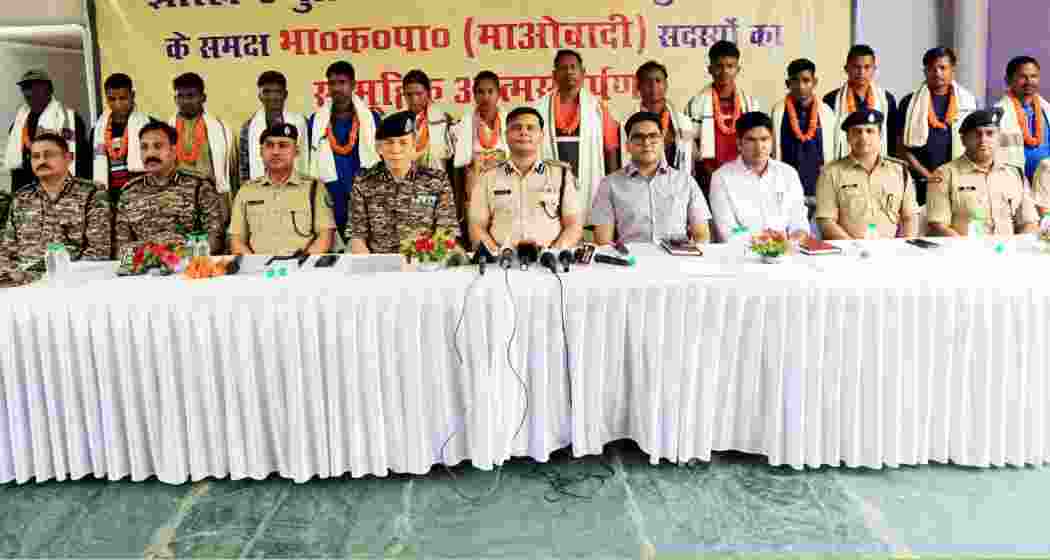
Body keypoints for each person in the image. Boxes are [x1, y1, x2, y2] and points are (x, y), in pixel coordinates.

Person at [0, 133, 107, 286]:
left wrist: (45, 277)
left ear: (69, 158)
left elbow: (98, 252)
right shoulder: (21, 198)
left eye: (49, 155)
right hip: (22, 284)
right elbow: (6, 251)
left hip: (73, 283)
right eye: (36, 157)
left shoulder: (92, 193)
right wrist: (15, 275)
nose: (42, 161)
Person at [469, 107, 582, 252]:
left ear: (541, 135)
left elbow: (574, 225)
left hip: (548, 264)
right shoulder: (487, 177)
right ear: (506, 135)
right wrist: (495, 256)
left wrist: (552, 254)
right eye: (516, 128)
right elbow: (476, 226)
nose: (524, 132)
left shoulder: (561, 175)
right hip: (501, 264)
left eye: (530, 128)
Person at [592, 111, 710, 245]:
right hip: (631, 262)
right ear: (627, 145)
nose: (646, 142)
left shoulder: (685, 182)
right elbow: (603, 241)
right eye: (638, 137)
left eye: (653, 136)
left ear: (662, 141)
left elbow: (702, 234)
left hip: (677, 260)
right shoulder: (609, 184)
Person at [349, 111, 457, 254]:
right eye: (389, 142)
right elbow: (357, 236)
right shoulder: (363, 182)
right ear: (378, 148)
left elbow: (446, 233)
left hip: (423, 262)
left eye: (403, 142)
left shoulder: (437, 181)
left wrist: (425, 261)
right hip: (380, 265)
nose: (396, 149)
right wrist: (368, 266)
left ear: (414, 145)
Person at [534, 49, 621, 226]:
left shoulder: (597, 108)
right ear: (554, 75)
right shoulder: (538, 109)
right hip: (549, 186)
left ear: (583, 73)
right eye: (563, 68)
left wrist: (611, 189)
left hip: (590, 186)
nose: (569, 72)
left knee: (588, 236)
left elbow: (611, 149)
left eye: (573, 67)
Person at [112, 122, 225, 257]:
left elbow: (216, 238)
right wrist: (150, 258)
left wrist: (178, 257)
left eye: (158, 146)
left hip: (188, 268)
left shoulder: (198, 186)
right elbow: (122, 247)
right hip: (144, 271)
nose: (150, 153)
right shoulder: (129, 192)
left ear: (173, 151)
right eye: (144, 147)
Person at [927, 110, 1038, 237]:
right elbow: (938, 226)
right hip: (963, 253)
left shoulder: (1015, 174)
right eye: (976, 134)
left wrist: (1017, 249)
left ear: (999, 139)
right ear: (963, 140)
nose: (983, 140)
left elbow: (1029, 222)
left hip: (1008, 253)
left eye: (990, 133)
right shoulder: (944, 174)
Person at [229, 123, 335, 256]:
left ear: (296, 151)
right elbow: (236, 240)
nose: (275, 152)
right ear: (261, 152)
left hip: (302, 270)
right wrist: (255, 267)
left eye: (283, 145)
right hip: (259, 272)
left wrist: (301, 266)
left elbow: (325, 236)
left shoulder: (314, 188)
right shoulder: (246, 191)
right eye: (269, 145)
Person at [307, 61, 382, 245]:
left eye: (342, 82)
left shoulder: (371, 118)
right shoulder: (317, 120)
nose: (336, 88)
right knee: (334, 247)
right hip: (332, 192)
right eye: (332, 83)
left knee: (366, 246)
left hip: (364, 191)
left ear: (353, 85)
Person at [815, 109, 916, 240]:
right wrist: (854, 248)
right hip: (847, 254)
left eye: (870, 131)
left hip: (891, 252)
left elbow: (910, 217)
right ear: (848, 138)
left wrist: (903, 248)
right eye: (857, 131)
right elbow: (826, 222)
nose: (863, 136)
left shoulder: (900, 171)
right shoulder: (830, 173)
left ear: (880, 136)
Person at [708, 112, 808, 242]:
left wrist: (792, 240)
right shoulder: (721, 178)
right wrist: (763, 240)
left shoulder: (788, 174)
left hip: (785, 252)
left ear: (772, 141)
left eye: (764, 139)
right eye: (751, 140)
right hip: (741, 255)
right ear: (739, 143)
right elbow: (728, 231)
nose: (759, 147)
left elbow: (799, 222)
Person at [898, 47, 978, 206]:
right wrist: (928, 176)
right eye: (932, 69)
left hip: (959, 179)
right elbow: (901, 148)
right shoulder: (909, 102)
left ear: (952, 70)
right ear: (925, 71)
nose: (938, 73)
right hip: (919, 181)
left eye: (943, 68)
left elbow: (975, 141)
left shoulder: (968, 101)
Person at [685, 40, 760, 195]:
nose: (724, 71)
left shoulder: (750, 104)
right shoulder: (695, 104)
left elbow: (757, 140)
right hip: (707, 178)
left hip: (743, 176)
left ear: (737, 69)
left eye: (730, 66)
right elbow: (689, 144)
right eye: (719, 66)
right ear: (710, 69)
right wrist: (709, 172)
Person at [5, 69, 89, 192]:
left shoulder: (68, 119)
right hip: (27, 192)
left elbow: (80, 156)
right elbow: (16, 164)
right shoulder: (18, 123)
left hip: (59, 189)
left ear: (49, 90)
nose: (29, 92)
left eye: (35, 87)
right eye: (25, 88)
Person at [770, 59, 837, 211]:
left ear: (814, 82)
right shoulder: (778, 112)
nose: (801, 86)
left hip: (819, 187)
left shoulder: (827, 113)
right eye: (795, 81)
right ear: (788, 84)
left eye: (806, 81)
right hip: (788, 188)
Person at [452, 71, 509, 240]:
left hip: (503, 187)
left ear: (499, 94)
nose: (485, 96)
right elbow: (459, 162)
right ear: (474, 95)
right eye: (480, 92)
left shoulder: (510, 121)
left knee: (502, 236)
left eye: (490, 91)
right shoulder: (464, 123)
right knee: (477, 239)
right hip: (475, 187)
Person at [168, 72, 237, 198]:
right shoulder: (166, 129)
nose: (185, 101)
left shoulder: (222, 129)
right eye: (180, 96)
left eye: (191, 96)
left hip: (212, 197)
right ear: (175, 99)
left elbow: (232, 173)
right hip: (177, 198)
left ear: (203, 97)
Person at [823, 45, 898, 159]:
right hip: (844, 165)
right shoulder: (831, 99)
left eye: (867, 67)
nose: (861, 72)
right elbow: (827, 140)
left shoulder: (886, 99)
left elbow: (892, 138)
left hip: (877, 165)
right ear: (846, 69)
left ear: (874, 69)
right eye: (856, 67)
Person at [89, 73, 156, 191]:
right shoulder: (97, 131)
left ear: (133, 95)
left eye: (123, 98)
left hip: (143, 193)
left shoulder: (150, 125)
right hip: (109, 195)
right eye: (112, 99)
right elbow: (90, 167)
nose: (118, 104)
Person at [239, 71, 308, 183]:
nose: (272, 97)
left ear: (285, 94)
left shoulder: (301, 122)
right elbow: (244, 168)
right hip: (261, 190)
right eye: (267, 92)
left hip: (296, 188)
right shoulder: (248, 127)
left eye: (277, 92)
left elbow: (308, 160)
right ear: (260, 96)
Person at [993, 56, 1050, 181]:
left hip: (1046, 183)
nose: (1029, 81)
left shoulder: (1047, 110)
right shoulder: (997, 114)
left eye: (1034, 76)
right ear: (1008, 80)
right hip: (1013, 183)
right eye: (1023, 76)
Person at [634, 60, 696, 171]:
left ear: (666, 85)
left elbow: (689, 160)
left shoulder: (684, 122)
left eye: (658, 80)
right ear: (639, 87)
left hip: (678, 185)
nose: (653, 86)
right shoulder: (629, 123)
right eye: (647, 81)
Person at [402, 69, 456, 172]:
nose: (414, 100)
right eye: (409, 95)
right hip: (407, 184)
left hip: (437, 182)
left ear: (428, 93)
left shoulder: (444, 121)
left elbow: (454, 164)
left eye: (419, 94)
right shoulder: (398, 124)